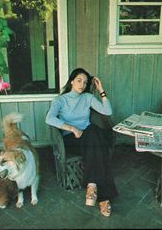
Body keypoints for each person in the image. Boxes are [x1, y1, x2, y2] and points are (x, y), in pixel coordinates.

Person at [45, 68, 118, 217]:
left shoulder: (87, 97)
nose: (82, 85)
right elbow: (49, 118)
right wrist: (71, 128)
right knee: (97, 139)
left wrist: (101, 90)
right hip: (71, 140)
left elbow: (107, 111)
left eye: (85, 82)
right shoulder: (60, 100)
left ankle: (92, 186)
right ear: (71, 81)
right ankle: (104, 198)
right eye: (79, 80)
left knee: (92, 131)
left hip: (88, 138)